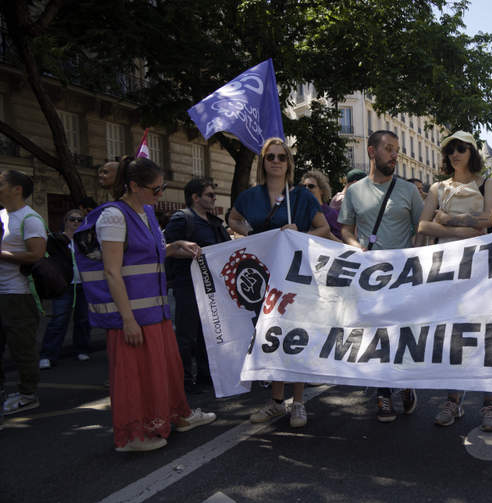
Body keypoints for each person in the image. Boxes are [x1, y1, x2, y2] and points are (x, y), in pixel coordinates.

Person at [75, 157, 216, 452]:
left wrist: (174, 248)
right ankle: (134, 436)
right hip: (134, 315)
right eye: (155, 189)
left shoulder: (147, 212)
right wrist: (127, 319)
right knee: (135, 375)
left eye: (162, 186)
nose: (160, 193)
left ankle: (176, 416)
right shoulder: (113, 216)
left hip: (156, 311)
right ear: (134, 186)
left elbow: (144, 254)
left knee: (164, 369)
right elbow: (112, 270)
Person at [229, 138, 330, 429]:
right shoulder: (250, 197)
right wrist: (251, 236)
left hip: (297, 275)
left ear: (288, 163)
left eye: (281, 157)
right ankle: (276, 401)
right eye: (270, 157)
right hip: (265, 276)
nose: (276, 161)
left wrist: (301, 233)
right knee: (271, 336)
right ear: (263, 162)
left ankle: (297, 402)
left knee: (296, 336)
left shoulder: (301, 197)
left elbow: (323, 227)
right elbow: (234, 219)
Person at [415, 130, 492, 431]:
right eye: (451, 149)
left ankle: (490, 404)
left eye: (462, 148)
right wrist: (462, 229)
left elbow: (490, 220)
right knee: (453, 334)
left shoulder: (487, 183)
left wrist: (448, 221)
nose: (456, 153)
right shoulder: (438, 187)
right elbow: (424, 224)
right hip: (448, 269)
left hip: (481, 269)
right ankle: (454, 399)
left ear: (472, 153)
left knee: (486, 333)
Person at [339, 130, 424, 423]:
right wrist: (354, 246)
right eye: (388, 148)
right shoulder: (354, 191)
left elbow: (422, 230)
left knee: (400, 333)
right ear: (372, 152)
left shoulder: (409, 191)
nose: (394, 154)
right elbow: (346, 228)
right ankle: (383, 393)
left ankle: (404, 382)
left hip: (403, 278)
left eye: (396, 149)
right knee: (376, 335)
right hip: (370, 277)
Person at [164, 178, 230, 394]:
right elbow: (167, 249)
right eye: (210, 195)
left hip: (210, 286)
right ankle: (184, 379)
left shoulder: (215, 222)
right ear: (195, 197)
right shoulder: (181, 219)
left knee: (207, 333)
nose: (214, 199)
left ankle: (204, 374)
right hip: (187, 286)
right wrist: (195, 253)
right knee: (186, 334)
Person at [0, 170, 46, 415]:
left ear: (16, 189)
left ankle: (28, 394)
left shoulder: (30, 218)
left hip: (17, 294)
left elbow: (36, 254)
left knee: (22, 348)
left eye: (1, 183)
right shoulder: (1, 216)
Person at [38, 209, 92, 370]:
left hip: (83, 285)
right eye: (72, 219)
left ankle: (81, 349)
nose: (75, 222)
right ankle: (47, 354)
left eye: (79, 220)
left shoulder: (85, 241)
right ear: (65, 221)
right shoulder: (56, 239)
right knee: (59, 320)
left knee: (83, 320)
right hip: (63, 285)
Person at [300, 169, 342, 241]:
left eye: (311, 186)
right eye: (304, 186)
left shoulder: (332, 214)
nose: (306, 189)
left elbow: (342, 244)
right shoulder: (299, 213)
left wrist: (325, 232)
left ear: (321, 190)